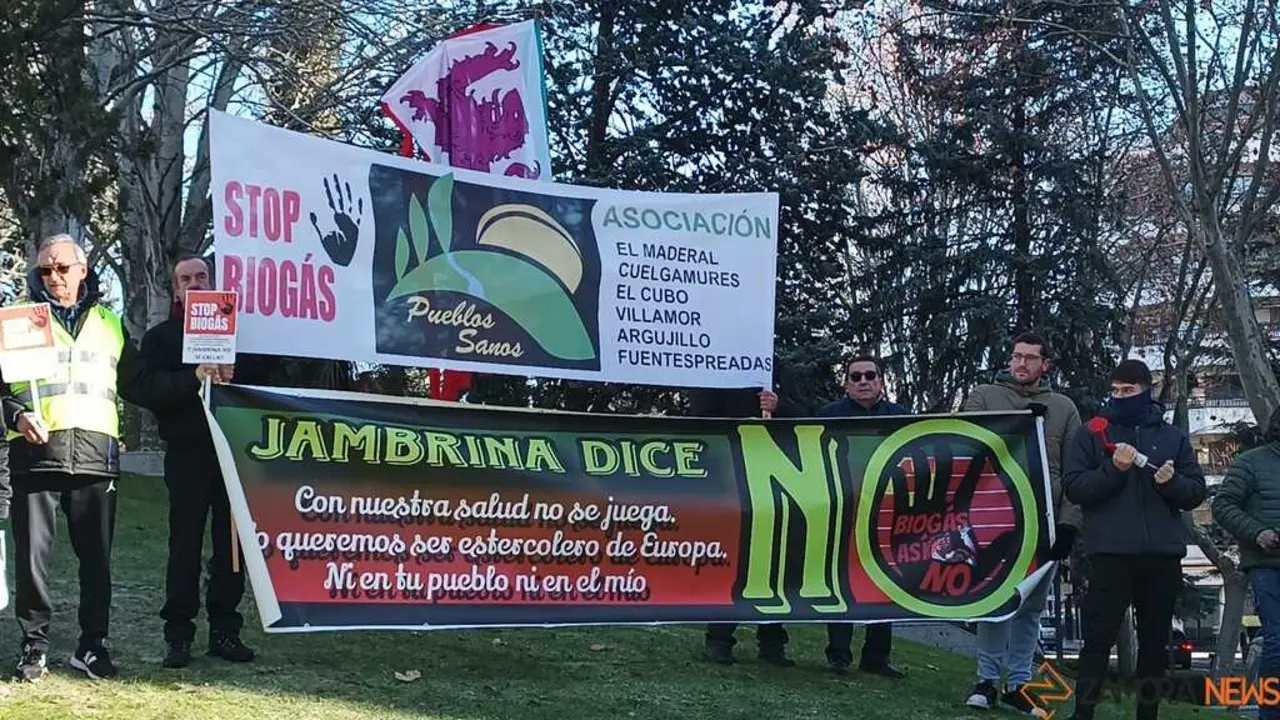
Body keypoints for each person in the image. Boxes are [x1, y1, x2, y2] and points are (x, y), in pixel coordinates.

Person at [0, 234, 148, 681]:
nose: (54, 277)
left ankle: (92, 646)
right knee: (32, 561)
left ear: (83, 270)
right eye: (45, 269)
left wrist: (199, 377)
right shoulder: (17, 320)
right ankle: (34, 647)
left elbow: (141, 383)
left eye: (63, 268)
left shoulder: (110, 323)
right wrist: (17, 414)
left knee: (96, 561)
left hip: (95, 458)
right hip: (34, 456)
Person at [1062, 359, 1207, 720]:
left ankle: (1148, 714)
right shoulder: (1093, 434)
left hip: (1162, 556)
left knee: (1155, 644)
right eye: (1115, 390)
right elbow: (1075, 487)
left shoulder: (1172, 437)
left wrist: (1171, 483)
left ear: (1146, 390)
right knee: (1098, 639)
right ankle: (1083, 714)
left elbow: (1195, 492)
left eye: (1128, 390)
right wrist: (1114, 470)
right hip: (1110, 553)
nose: (1120, 397)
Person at [132, 255, 255, 668]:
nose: (195, 283)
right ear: (176, 291)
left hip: (233, 450)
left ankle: (225, 630)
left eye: (202, 276)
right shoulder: (160, 338)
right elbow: (146, 389)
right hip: (187, 453)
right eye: (185, 279)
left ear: (214, 281)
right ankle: (178, 635)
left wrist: (237, 374)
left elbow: (268, 380)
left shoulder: (243, 335)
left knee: (230, 546)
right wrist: (193, 377)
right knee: (184, 543)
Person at [962, 332, 1082, 713]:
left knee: (1030, 608)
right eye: (1017, 356)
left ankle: (1018, 684)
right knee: (994, 601)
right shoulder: (984, 396)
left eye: (1030, 357)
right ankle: (986, 681)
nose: (1021, 363)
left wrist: (1068, 525)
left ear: (1045, 364)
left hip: (1045, 523)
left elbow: (1075, 473)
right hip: (994, 519)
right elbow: (964, 445)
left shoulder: (1063, 408)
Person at [697, 384, 799, 667]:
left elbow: (807, 414)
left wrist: (780, 406)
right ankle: (719, 640)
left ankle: (772, 643)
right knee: (737, 562)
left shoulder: (777, 373)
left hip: (777, 479)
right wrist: (740, 424)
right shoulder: (718, 376)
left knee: (774, 563)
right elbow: (701, 416)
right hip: (733, 477)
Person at [818, 354, 906, 679]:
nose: (863, 381)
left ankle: (876, 657)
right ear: (846, 384)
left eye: (870, 375)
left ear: (881, 381)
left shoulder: (901, 417)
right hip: (842, 509)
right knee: (842, 579)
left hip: (887, 512)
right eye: (856, 377)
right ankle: (838, 654)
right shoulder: (827, 416)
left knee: (883, 582)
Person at [1212, 405, 1280, 720]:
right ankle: (1271, 713)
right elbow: (1223, 505)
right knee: (1277, 641)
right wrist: (1258, 533)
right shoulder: (1252, 462)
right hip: (1268, 564)